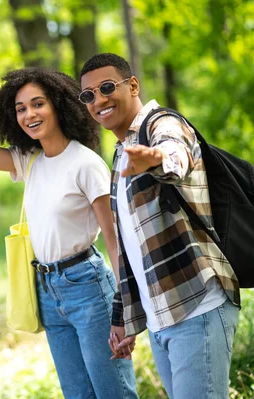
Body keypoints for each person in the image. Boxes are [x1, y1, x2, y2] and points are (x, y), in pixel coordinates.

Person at [0, 39, 138, 399]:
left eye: (38, 104)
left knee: (113, 392)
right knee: (77, 394)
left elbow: (114, 239)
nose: (29, 114)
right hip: (47, 289)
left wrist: (124, 307)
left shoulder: (86, 164)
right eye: (20, 109)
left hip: (90, 289)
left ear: (58, 105)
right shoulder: (28, 160)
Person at [79, 53, 241, 399]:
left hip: (198, 308)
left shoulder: (162, 124)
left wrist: (158, 160)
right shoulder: (121, 153)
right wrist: (123, 315)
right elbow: (130, 247)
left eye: (107, 87)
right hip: (161, 321)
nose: (99, 100)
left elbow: (175, 157)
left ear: (133, 85)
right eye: (88, 95)